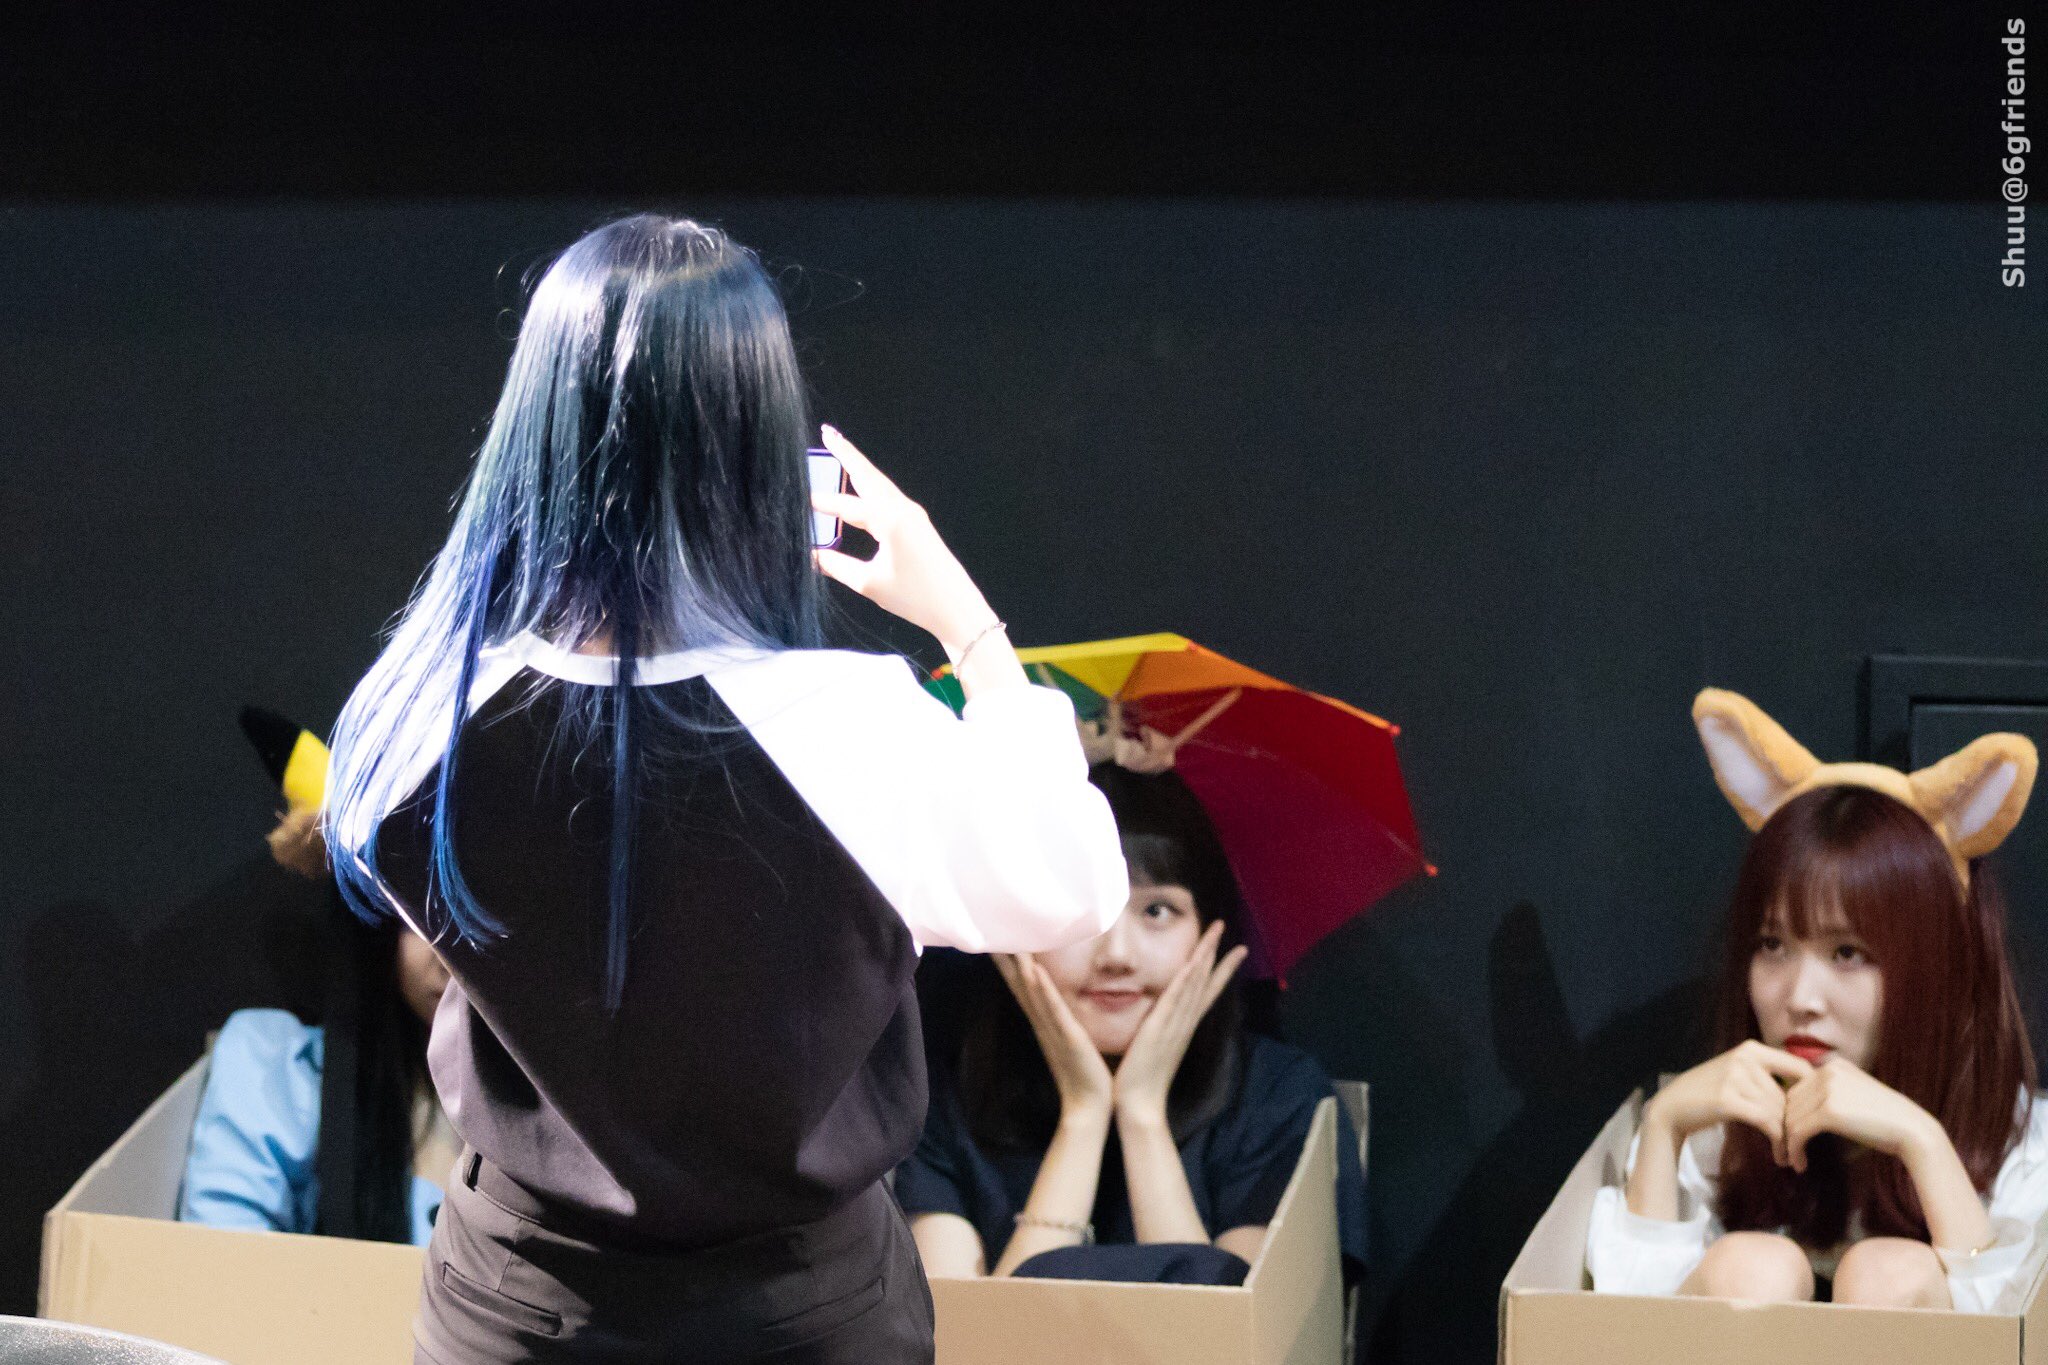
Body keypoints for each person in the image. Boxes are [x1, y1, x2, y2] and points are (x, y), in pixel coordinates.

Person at [321, 214, 1127, 1364]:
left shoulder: (410, 714)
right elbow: (1075, 888)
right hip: (792, 1317)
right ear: (756, 439)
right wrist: (967, 623)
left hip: (513, 1309)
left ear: (533, 430)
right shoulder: (854, 724)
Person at [1588, 687, 2048, 1311]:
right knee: (1751, 1270)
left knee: (1891, 1276)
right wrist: (1665, 1125)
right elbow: (1613, 1331)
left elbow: (2015, 1334)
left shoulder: (2017, 1146)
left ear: (1936, 966)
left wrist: (1923, 1142)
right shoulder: (1717, 1133)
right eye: (1773, 945)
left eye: (1848, 953)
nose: (1801, 998)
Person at [896, 757, 1368, 1285]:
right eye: (1082, 912)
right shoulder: (950, 1100)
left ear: (1211, 933)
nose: (1116, 955)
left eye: (1156, 911)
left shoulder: (1278, 1096)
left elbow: (1238, 1330)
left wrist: (1142, 1113)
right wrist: (1083, 1114)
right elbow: (963, 1330)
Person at [181, 808, 458, 1246]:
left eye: (486, 909)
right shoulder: (282, 1076)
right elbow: (221, 1266)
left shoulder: (567, 1117)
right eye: (421, 909)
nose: (451, 956)